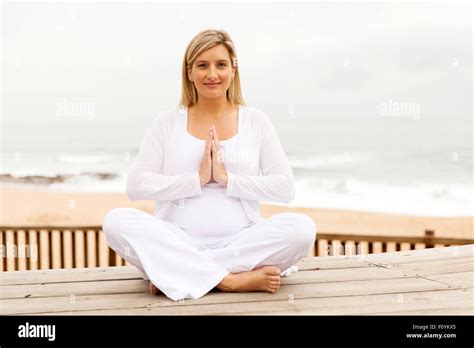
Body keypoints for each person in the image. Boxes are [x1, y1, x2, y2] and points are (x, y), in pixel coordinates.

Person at [102, 29, 317, 302]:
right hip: (178, 238)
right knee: (116, 221)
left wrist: (228, 180)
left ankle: (179, 272)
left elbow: (285, 188)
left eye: (221, 65)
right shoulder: (167, 123)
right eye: (202, 65)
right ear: (189, 72)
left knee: (302, 229)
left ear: (233, 70)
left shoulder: (256, 121)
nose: (212, 74)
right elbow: (136, 186)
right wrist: (197, 179)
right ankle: (228, 280)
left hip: (241, 241)